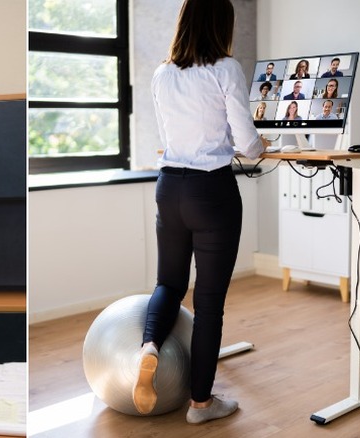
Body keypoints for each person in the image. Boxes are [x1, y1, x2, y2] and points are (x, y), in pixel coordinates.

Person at [133, 0, 268, 425]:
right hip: (212, 191)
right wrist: (261, 146)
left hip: (169, 185)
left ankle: (150, 346)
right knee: (209, 303)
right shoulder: (225, 68)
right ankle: (201, 405)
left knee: (169, 282)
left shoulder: (162, 72)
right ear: (221, 25)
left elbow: (169, 130)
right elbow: (247, 143)